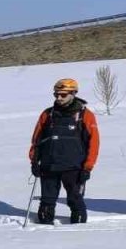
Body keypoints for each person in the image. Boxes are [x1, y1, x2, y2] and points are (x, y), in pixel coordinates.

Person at [30, 78, 100, 224]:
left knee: (75, 200)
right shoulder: (47, 115)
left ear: (73, 93)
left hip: (74, 167)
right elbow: (36, 140)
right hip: (49, 166)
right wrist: (34, 161)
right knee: (46, 204)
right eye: (56, 95)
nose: (59, 98)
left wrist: (87, 167)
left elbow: (94, 143)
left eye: (63, 95)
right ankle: (41, 236)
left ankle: (78, 236)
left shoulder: (85, 115)